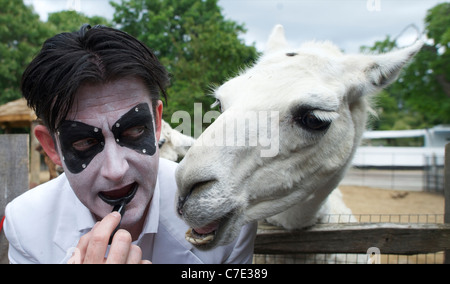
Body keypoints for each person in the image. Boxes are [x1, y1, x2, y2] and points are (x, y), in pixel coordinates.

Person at [3, 24, 257, 264]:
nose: (115, 171)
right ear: (51, 147)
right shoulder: (27, 225)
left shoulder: (222, 214)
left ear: (157, 123)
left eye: (134, 130)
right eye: (84, 142)